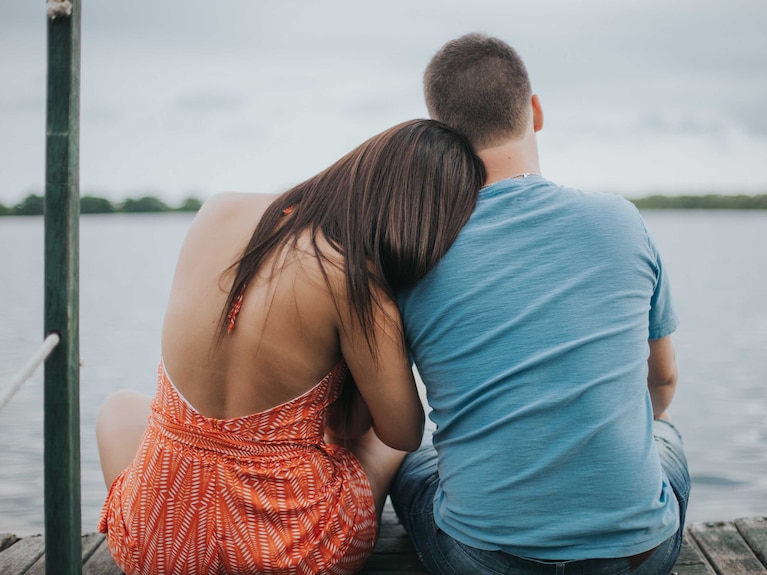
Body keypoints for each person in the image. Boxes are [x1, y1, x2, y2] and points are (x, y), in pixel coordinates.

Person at [95, 119, 485, 575]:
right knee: (385, 445)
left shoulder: (217, 210)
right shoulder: (356, 277)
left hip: (158, 550)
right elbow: (401, 432)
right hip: (290, 557)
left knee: (120, 407)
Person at [390, 33, 691, 575]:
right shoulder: (620, 220)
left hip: (481, 560)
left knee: (411, 458)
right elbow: (662, 382)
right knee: (663, 431)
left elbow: (393, 419)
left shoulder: (415, 249)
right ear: (536, 111)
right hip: (638, 557)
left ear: (439, 132)